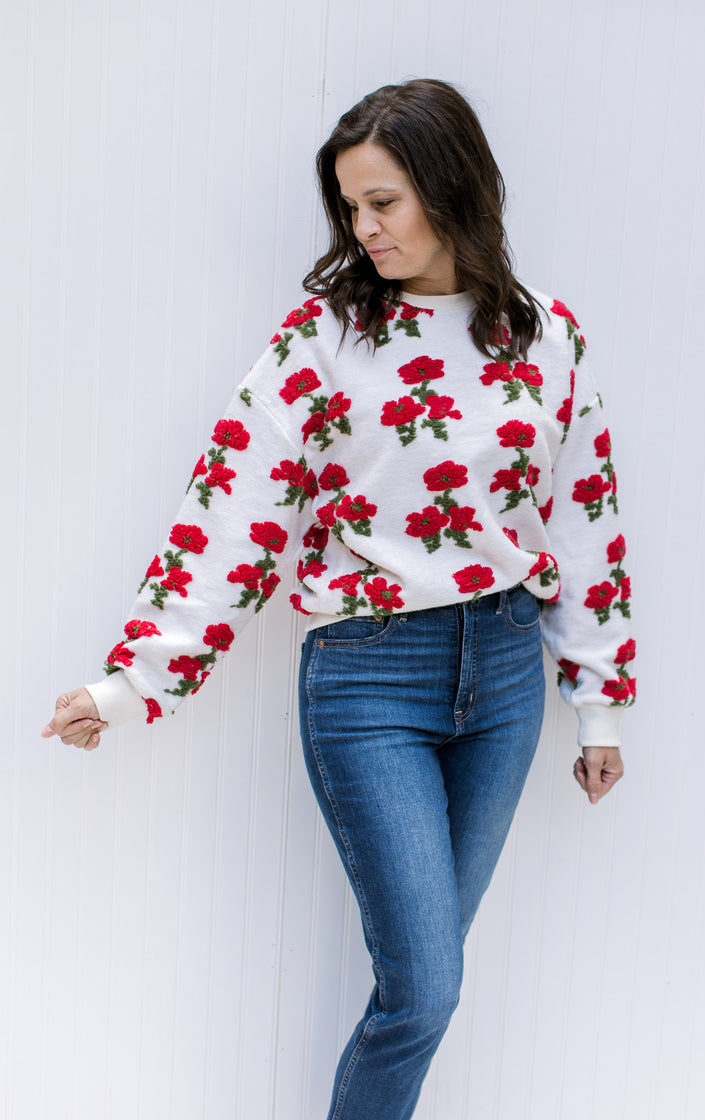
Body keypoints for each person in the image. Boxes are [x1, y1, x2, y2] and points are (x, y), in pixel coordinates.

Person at [42, 79, 634, 1119]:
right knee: (425, 985)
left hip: (501, 675)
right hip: (368, 679)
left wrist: (600, 705)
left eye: (384, 203)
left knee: (427, 979)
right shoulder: (324, 339)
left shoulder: (546, 339)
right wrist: (134, 682)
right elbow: (231, 510)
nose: (362, 230)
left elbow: (581, 521)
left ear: (453, 189)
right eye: (350, 208)